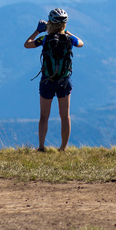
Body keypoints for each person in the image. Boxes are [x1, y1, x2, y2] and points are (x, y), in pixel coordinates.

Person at [24, 8, 85, 151]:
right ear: (65, 24)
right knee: (65, 116)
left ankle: (41, 147)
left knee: (44, 116)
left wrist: (38, 30)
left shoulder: (44, 39)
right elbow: (81, 42)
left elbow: (27, 44)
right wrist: (68, 32)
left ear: (50, 22)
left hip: (47, 81)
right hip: (64, 81)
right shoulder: (70, 40)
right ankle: (63, 148)